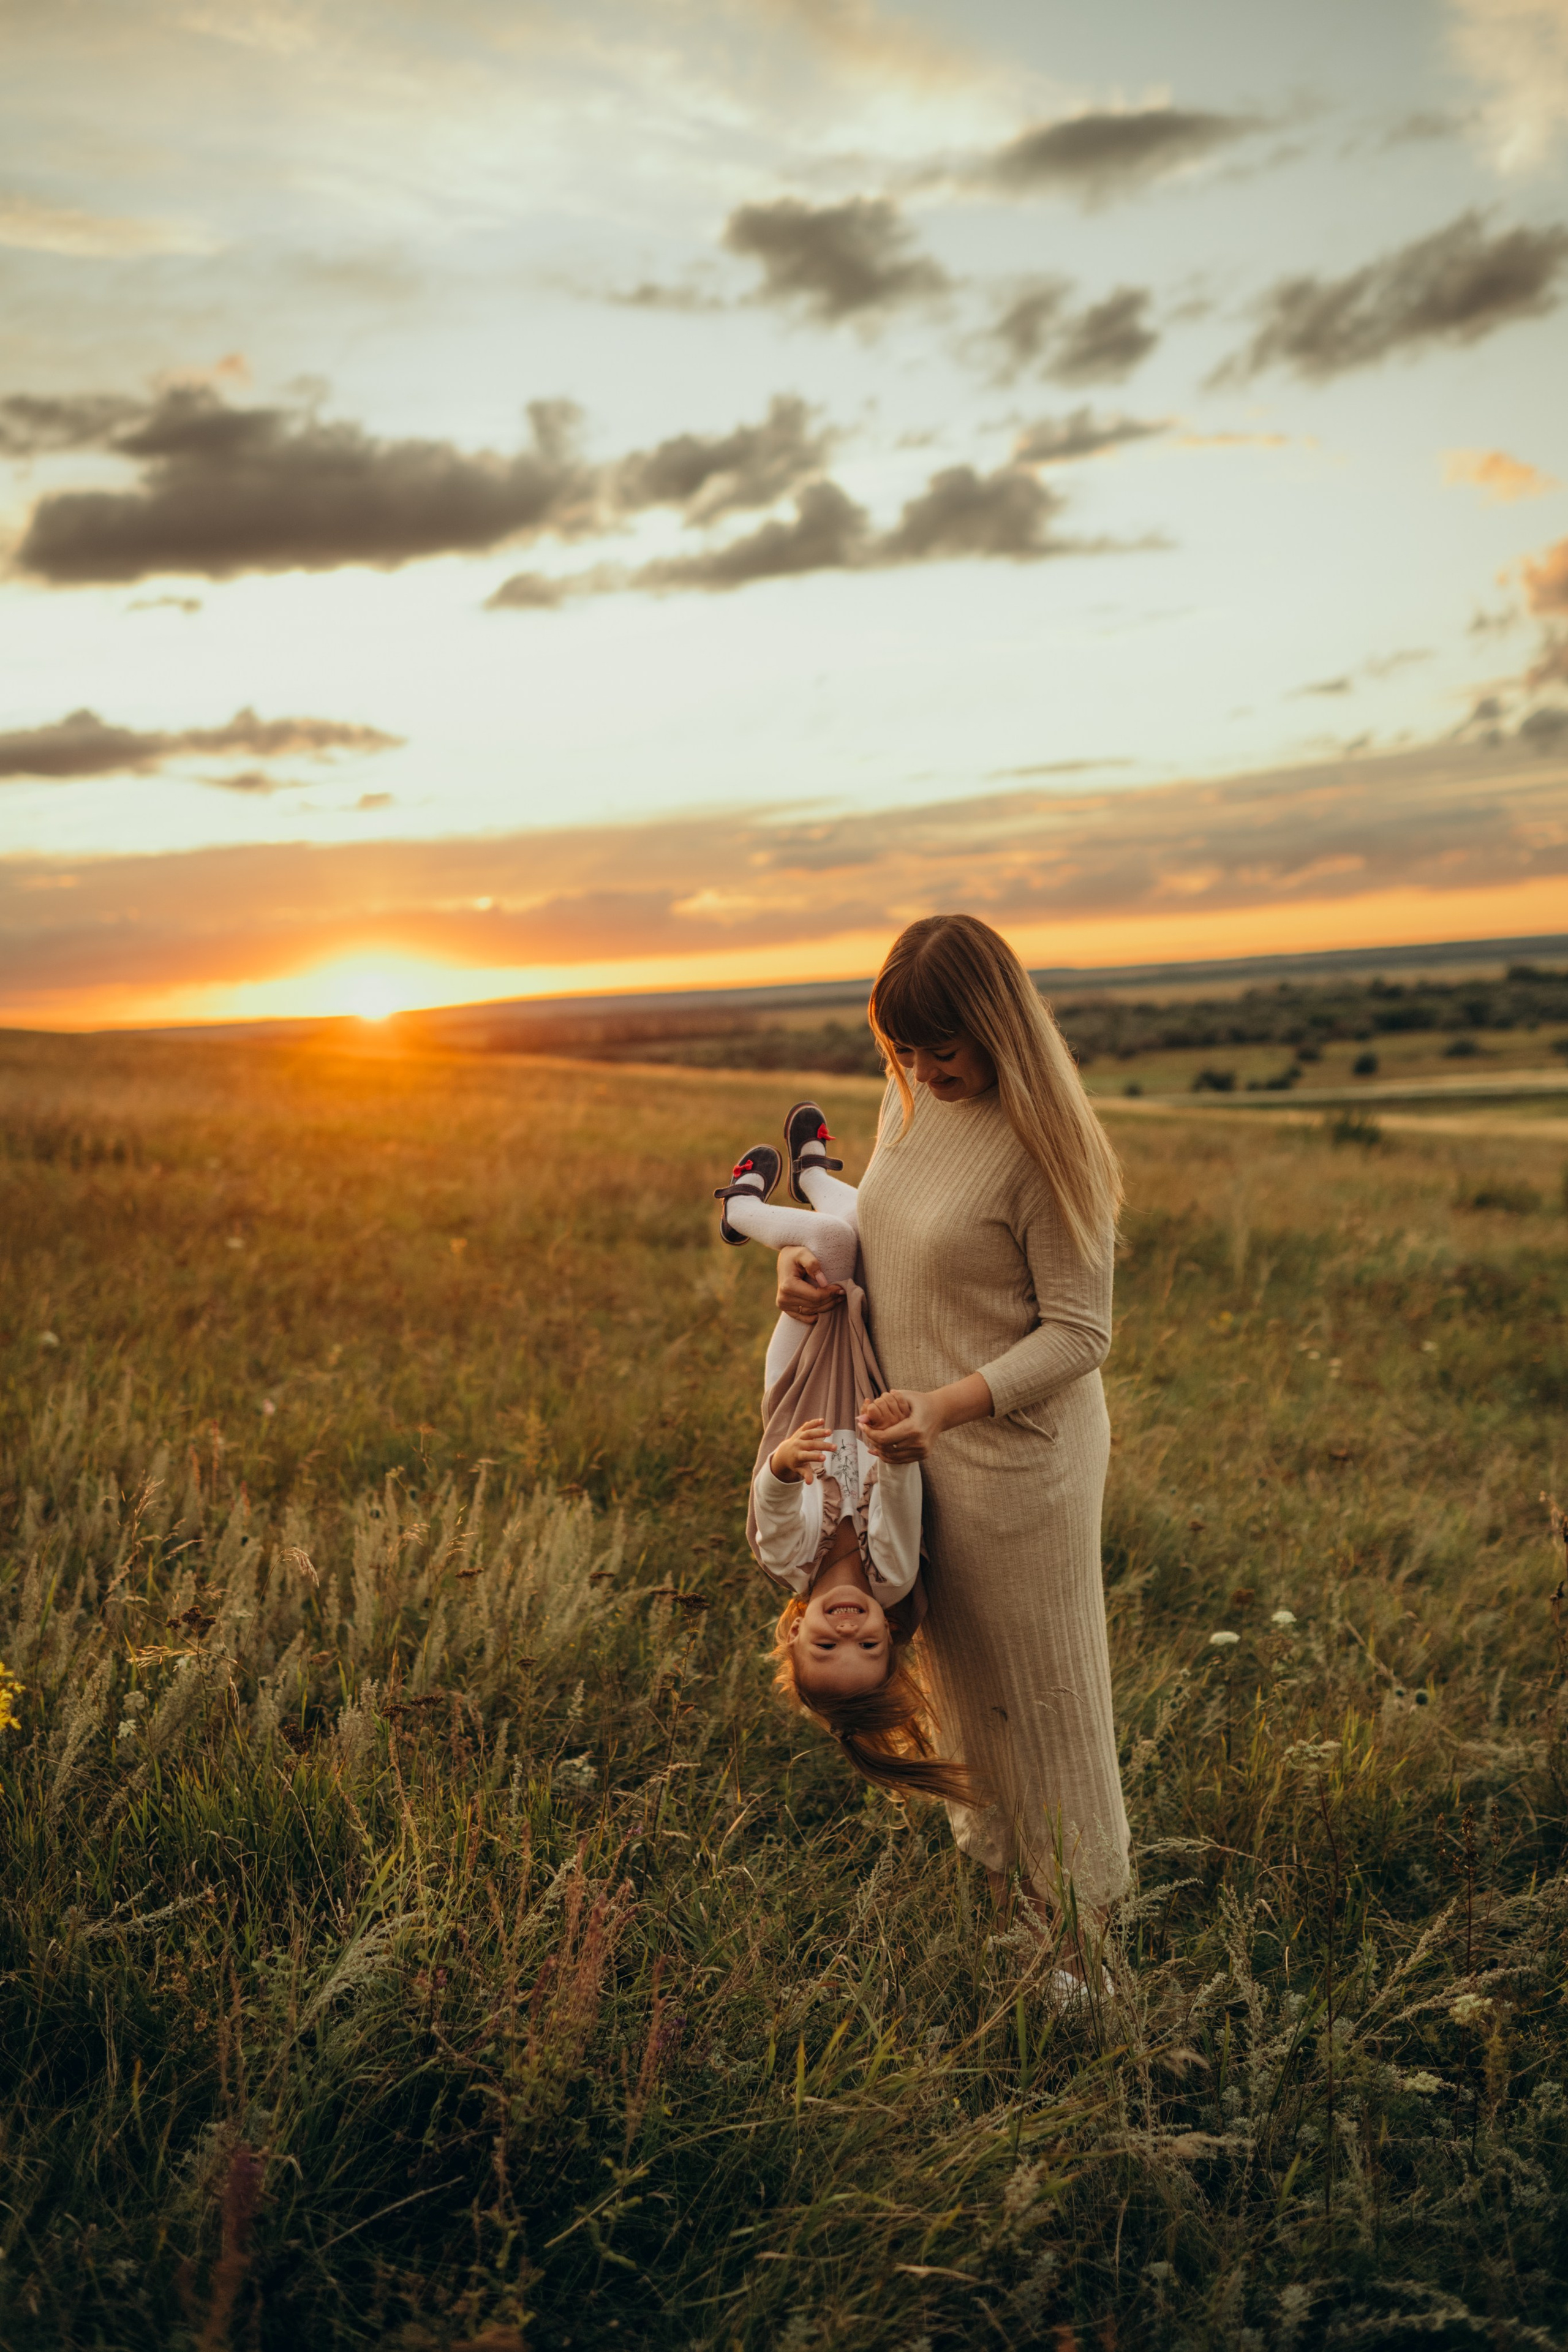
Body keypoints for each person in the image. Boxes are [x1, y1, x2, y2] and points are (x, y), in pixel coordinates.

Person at [774, 918, 1130, 1973]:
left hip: (1017, 1465)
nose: (924, 1073)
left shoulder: (1046, 1148)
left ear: (998, 1027)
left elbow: (1082, 1334)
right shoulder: (913, 1099)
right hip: (912, 1456)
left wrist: (946, 1406)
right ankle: (1014, 1899)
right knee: (971, 1691)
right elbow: (893, 1236)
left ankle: (1086, 1949)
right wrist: (811, 1271)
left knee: (1046, 1702)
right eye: (903, 1051)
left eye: (944, 1049)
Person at [714, 1104, 976, 1804]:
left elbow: (770, 1504)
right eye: (869, 1646)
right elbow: (900, 1498)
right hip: (861, 1391)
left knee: (832, 1240)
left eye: (825, 1646)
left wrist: (784, 1466)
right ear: (889, 1633)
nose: (847, 1630)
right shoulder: (891, 1578)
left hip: (796, 1394)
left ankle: (741, 1209)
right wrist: (891, 1441)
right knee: (868, 1230)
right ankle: (808, 1174)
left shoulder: (788, 1563)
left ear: (794, 1632)